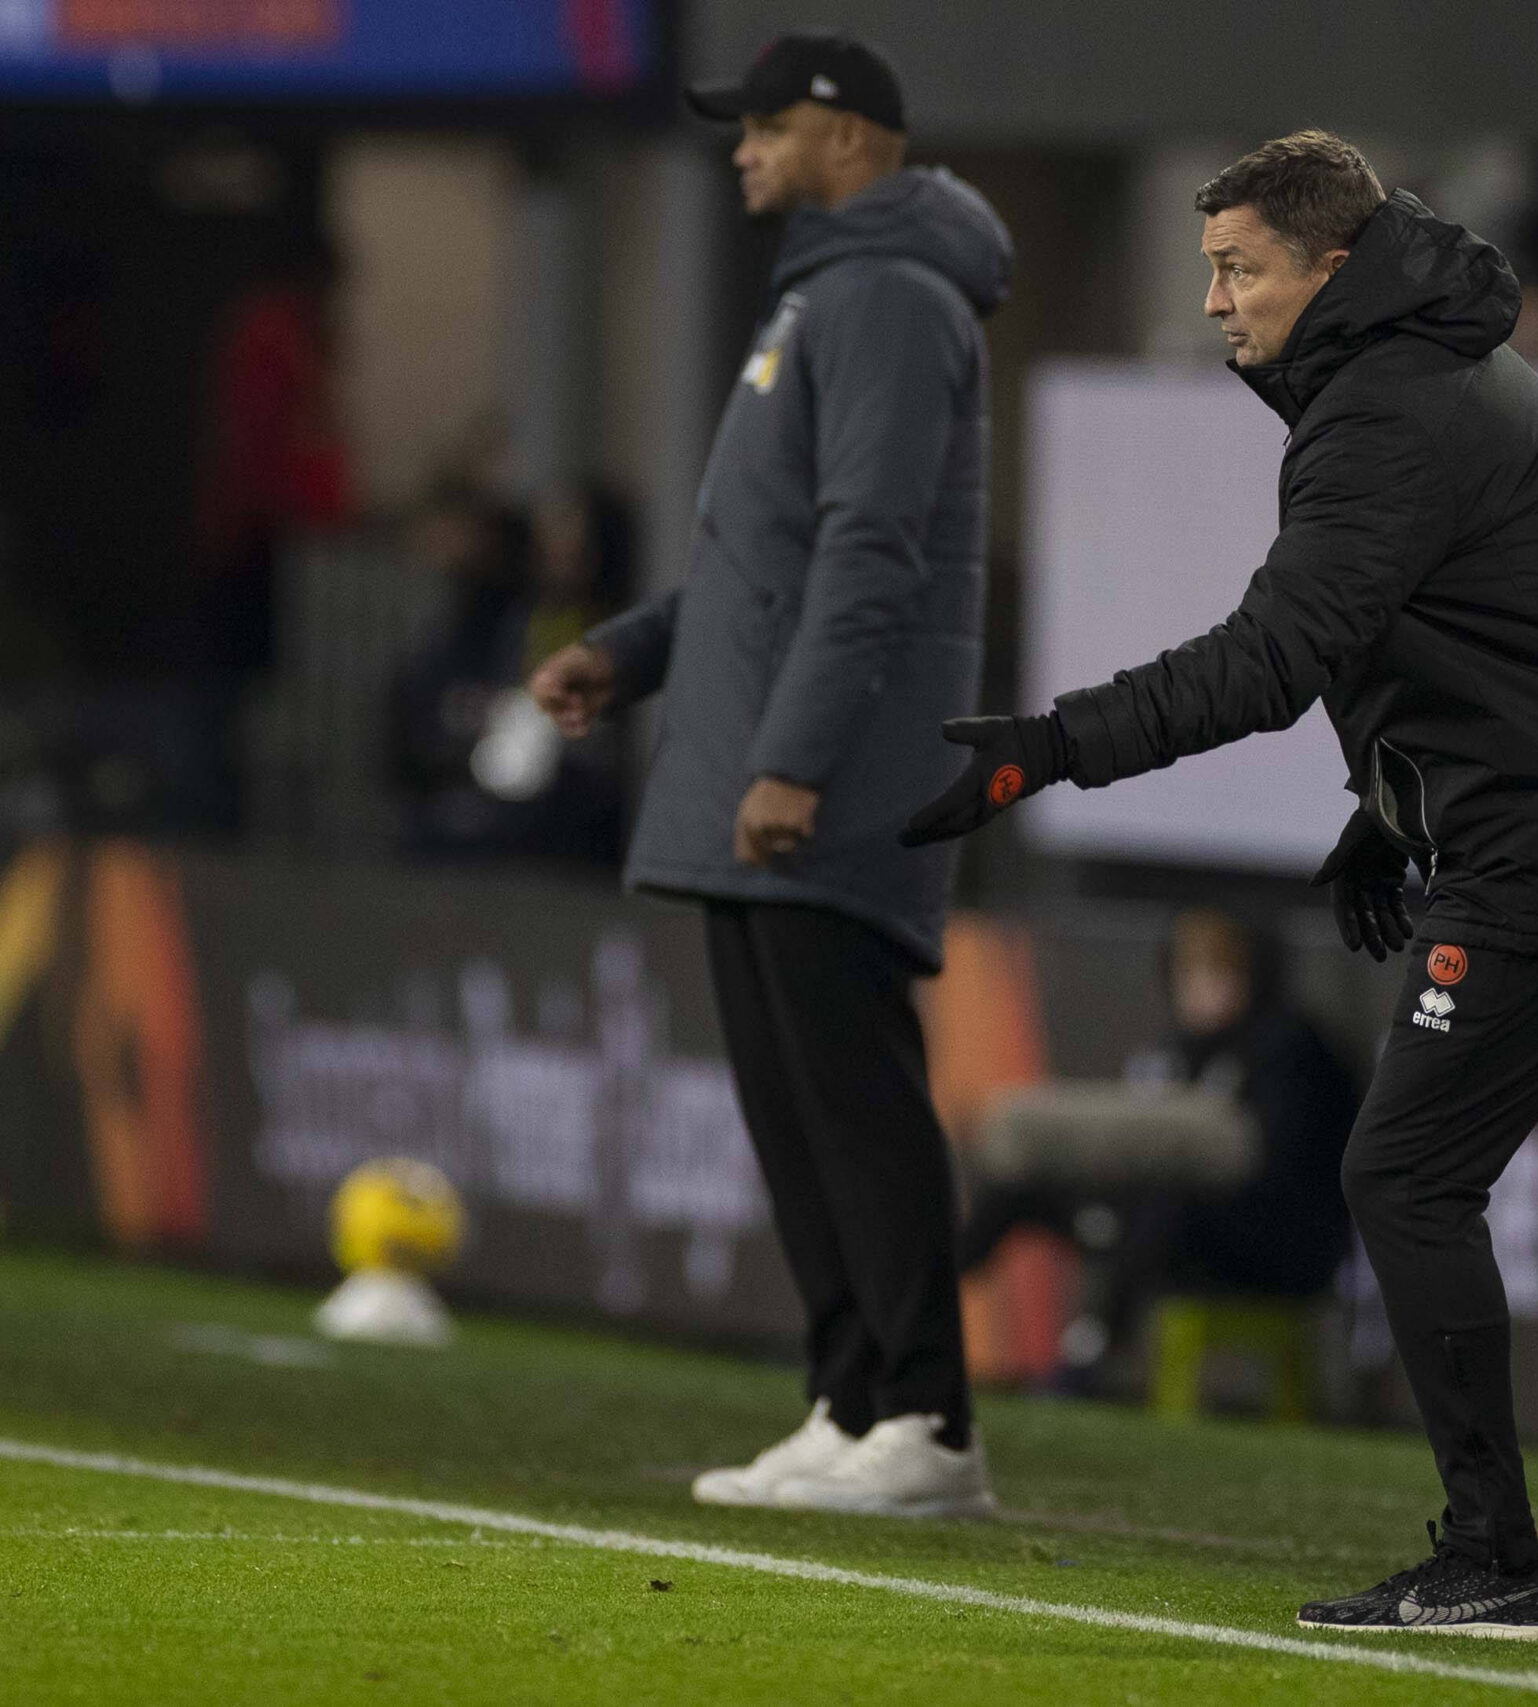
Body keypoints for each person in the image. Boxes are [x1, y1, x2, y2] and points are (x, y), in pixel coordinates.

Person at [901, 128, 1538, 1661]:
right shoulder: (1431, 373)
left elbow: (1274, 654)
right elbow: (1483, 630)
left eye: (1241, 269)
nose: (1217, 302)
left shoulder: (1387, 405)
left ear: (1330, 263)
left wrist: (1045, 751)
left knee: (1405, 1173)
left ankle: (1497, 1557)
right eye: (1210, 270)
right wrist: (1387, 813)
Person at [527, 32, 1013, 1518]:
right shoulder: (825, 292)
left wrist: (796, 758)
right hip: (750, 765)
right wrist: (629, 650)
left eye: (758, 124)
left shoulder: (887, 296)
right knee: (794, 1109)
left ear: (840, 131)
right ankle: (850, 1392)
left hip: (825, 777)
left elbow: (872, 551)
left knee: (853, 1098)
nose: (737, 147)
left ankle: (927, 1414)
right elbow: (760, 564)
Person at [956, 910, 1360, 1385]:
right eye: (1189, 974)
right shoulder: (1176, 1050)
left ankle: (1092, 1358)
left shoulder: (1291, 1048)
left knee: (1166, 1204)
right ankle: (920, 1310)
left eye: (1220, 974)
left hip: (1281, 1243)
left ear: (1255, 977)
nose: (1202, 990)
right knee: (1019, 1187)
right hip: (1164, 1225)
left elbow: (1267, 1165)